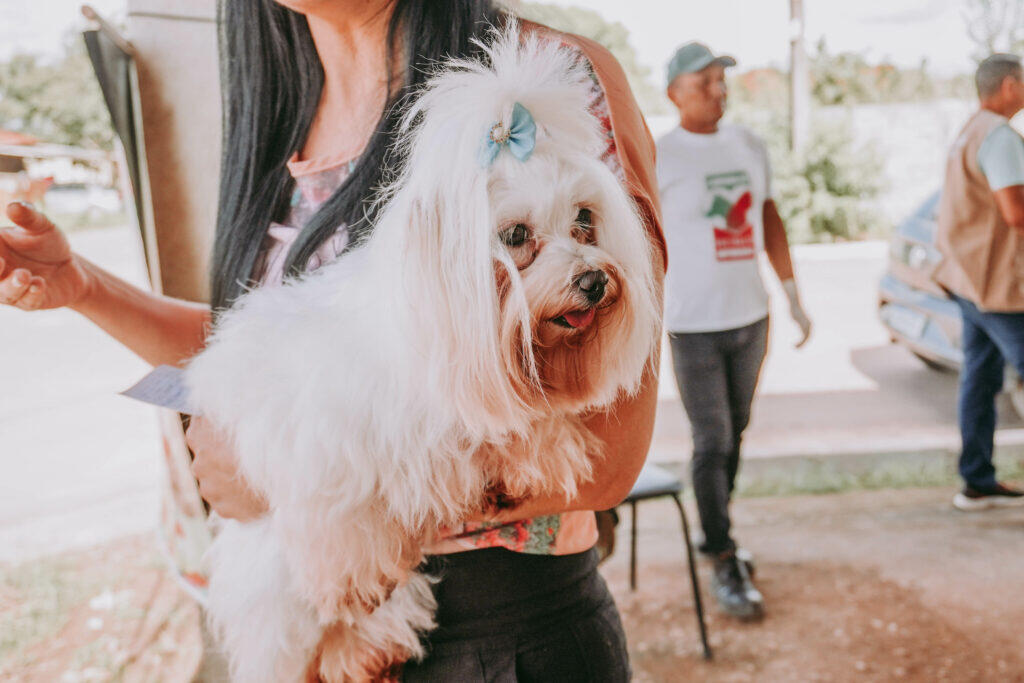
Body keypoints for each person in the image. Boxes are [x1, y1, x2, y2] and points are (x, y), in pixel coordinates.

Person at [0, 1, 666, 679]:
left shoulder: (551, 84)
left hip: (501, 639)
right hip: (322, 640)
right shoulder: (282, 106)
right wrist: (81, 286)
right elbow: (269, 351)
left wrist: (289, 475)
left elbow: (606, 462)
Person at [655, 42, 811, 621]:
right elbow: (638, 236)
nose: (717, 90)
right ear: (674, 93)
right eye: (704, 82)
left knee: (736, 432)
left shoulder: (748, 144)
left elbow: (768, 217)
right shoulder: (657, 154)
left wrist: (792, 296)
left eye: (721, 80)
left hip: (749, 316)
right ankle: (722, 553)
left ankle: (715, 529)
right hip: (692, 323)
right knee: (713, 439)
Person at [934, 53, 1024, 512]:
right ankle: (977, 478)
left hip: (966, 278)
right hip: (997, 286)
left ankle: (977, 480)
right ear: (1009, 86)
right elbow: (1015, 212)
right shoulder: (1000, 136)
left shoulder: (969, 131)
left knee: (980, 378)